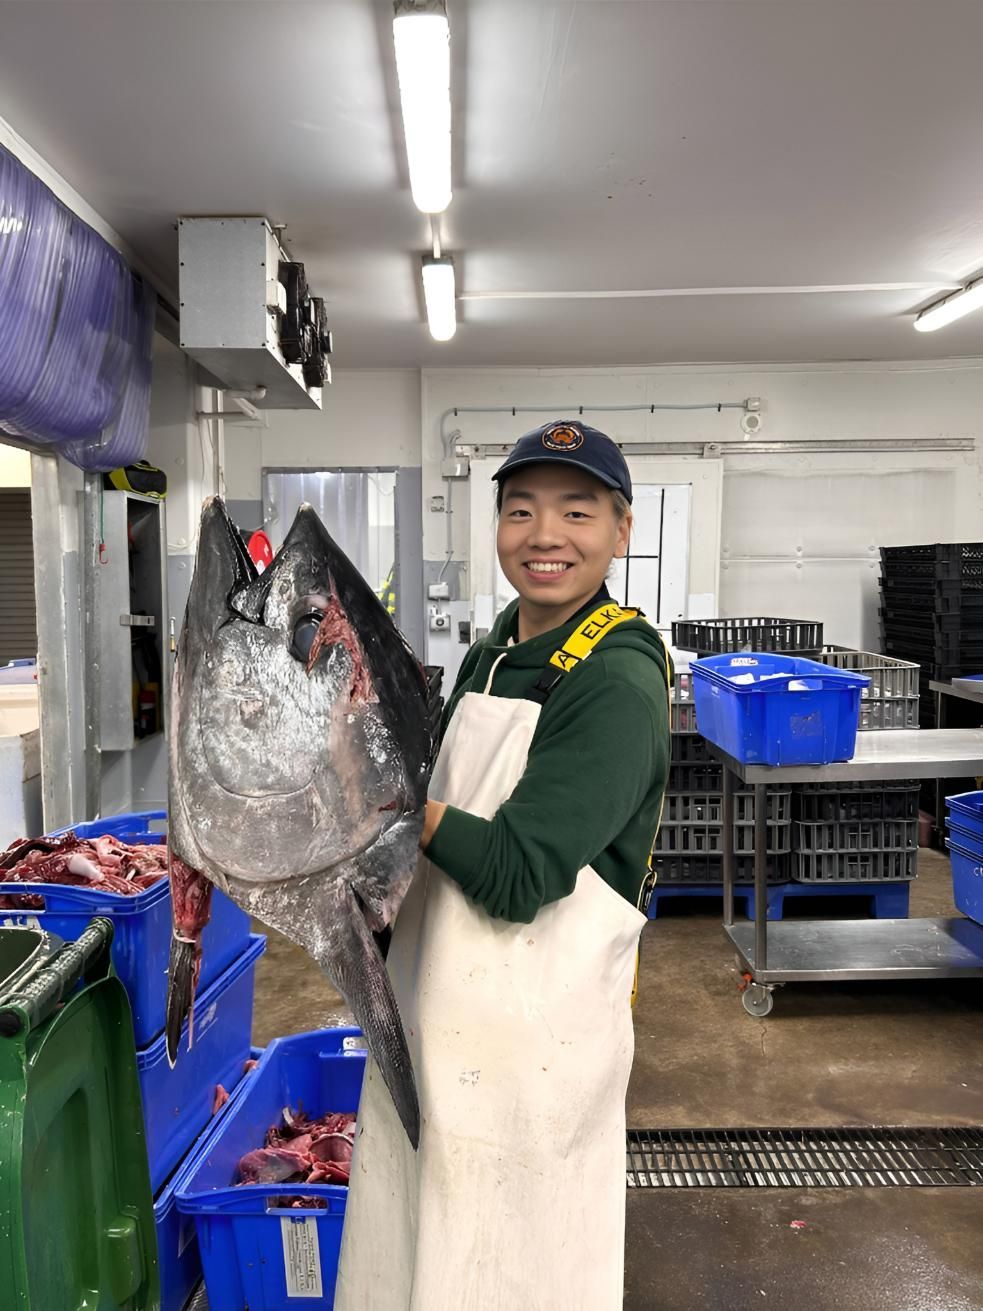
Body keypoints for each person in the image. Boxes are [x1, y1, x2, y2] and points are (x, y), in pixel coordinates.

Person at [335, 419, 672, 1311]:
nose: (544, 535)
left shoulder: (616, 679)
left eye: (576, 511)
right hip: (431, 1018)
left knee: (512, 1272)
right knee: (417, 1257)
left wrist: (387, 799)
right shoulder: (493, 652)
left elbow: (520, 872)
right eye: (520, 511)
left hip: (531, 1054)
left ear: (620, 531)